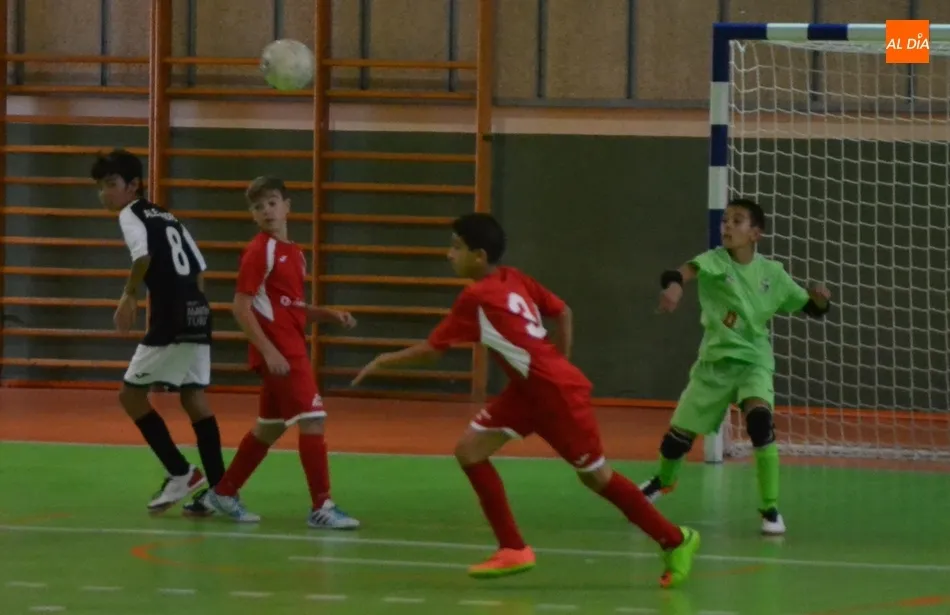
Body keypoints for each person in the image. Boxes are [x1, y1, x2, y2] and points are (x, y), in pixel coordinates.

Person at [351, 212, 699, 588]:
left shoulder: (476, 297)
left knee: (598, 478)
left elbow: (432, 351)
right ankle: (513, 548)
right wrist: (559, 361)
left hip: (554, 395)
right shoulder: (512, 277)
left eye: (456, 247)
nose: (448, 255)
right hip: (527, 391)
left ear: (479, 256)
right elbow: (563, 312)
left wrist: (383, 360)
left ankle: (676, 540)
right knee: (470, 451)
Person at [639, 198, 832, 535]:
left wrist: (820, 300)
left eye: (737, 220)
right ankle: (663, 481)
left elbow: (811, 308)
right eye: (725, 220)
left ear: (755, 233)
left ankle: (770, 508)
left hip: (754, 361)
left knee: (760, 423)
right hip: (714, 363)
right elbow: (681, 273)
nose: (727, 225)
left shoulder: (772, 273)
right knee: (677, 441)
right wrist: (674, 287)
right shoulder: (714, 261)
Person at [203, 176, 360, 530]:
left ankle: (224, 492)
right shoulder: (260, 250)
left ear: (287, 206)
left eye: (272, 203)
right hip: (283, 354)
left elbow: (290, 307)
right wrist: (269, 351)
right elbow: (240, 306)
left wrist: (328, 315)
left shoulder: (295, 254)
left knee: (268, 429)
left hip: (289, 348)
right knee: (313, 419)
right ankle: (322, 505)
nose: (266, 211)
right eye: (258, 207)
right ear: (253, 215)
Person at [91, 148, 224, 516]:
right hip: (198, 311)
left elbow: (142, 256)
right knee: (194, 399)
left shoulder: (131, 213)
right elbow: (199, 268)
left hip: (172, 319)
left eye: (111, 184)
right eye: (101, 186)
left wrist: (129, 295)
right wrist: (193, 306)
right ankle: (222, 491)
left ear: (134, 185)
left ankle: (181, 473)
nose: (104, 193)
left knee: (130, 397)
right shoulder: (167, 216)